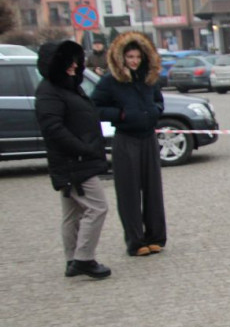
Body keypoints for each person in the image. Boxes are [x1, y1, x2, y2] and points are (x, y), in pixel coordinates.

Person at [34, 39, 111, 279]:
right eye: (70, 62)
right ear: (57, 64)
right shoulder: (49, 91)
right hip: (74, 162)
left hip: (77, 159)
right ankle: (84, 258)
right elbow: (53, 129)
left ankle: (72, 259)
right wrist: (82, 149)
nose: (75, 66)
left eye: (76, 61)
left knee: (73, 213)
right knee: (98, 207)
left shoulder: (67, 87)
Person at [91, 32, 167, 257]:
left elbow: (159, 102)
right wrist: (121, 115)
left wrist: (155, 112)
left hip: (148, 137)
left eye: (137, 57)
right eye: (130, 56)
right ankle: (135, 240)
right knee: (129, 192)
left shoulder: (149, 79)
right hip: (126, 139)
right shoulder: (110, 81)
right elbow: (95, 107)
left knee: (153, 190)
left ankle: (156, 237)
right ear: (121, 58)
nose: (134, 61)